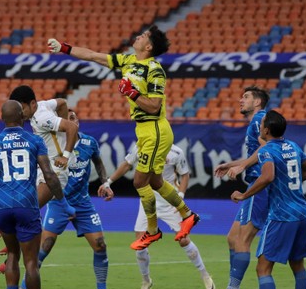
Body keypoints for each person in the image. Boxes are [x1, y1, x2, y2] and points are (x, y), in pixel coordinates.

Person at [48, 27, 199, 250]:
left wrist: (132, 92)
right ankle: (187, 215)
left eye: (144, 36)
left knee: (139, 181)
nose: (138, 36)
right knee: (155, 181)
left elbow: (155, 106)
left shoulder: (155, 70)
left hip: (155, 129)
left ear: (148, 47)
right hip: (144, 130)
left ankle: (153, 230)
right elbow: (92, 55)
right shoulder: (128, 60)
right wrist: (64, 48)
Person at [230, 110, 306, 289]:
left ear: (266, 130)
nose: (260, 127)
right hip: (302, 213)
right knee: (298, 266)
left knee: (263, 268)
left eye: (262, 125)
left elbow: (267, 176)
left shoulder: (268, 150)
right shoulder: (293, 146)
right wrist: (289, 184)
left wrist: (244, 195)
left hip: (281, 216)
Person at [26, 109, 120, 289]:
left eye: (73, 117)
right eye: (66, 118)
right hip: (59, 202)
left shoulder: (89, 143)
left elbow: (99, 163)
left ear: (78, 121)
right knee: (44, 247)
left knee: (100, 245)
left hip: (83, 203)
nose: (70, 120)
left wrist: (106, 182)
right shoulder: (53, 144)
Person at [0, 100, 63, 289]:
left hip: (2, 206)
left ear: (2, 118)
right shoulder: (34, 140)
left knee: (11, 256)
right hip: (26, 205)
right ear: (22, 117)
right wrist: (61, 198)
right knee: (31, 263)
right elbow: (48, 174)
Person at [99, 144, 215, 289]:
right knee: (140, 244)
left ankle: (204, 274)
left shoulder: (175, 152)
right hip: (147, 199)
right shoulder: (141, 146)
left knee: (184, 240)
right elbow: (127, 164)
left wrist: (180, 196)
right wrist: (108, 182)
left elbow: (185, 174)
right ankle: (146, 280)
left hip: (169, 201)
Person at [206, 86, 269, 289]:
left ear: (258, 102)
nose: (241, 100)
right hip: (255, 183)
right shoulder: (258, 121)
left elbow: (270, 148)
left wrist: (242, 166)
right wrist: (233, 164)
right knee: (232, 237)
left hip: (261, 185)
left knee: (242, 239)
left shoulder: (259, 119)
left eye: (246, 97)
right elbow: (259, 151)